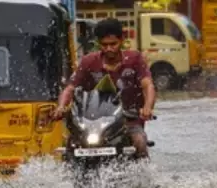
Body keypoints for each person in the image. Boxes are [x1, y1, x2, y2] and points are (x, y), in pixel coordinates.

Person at [52, 18, 156, 159]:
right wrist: (61, 107)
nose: (108, 49)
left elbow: (147, 85)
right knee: (70, 146)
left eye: (113, 44)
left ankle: (142, 177)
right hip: (93, 123)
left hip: (128, 120)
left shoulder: (135, 59)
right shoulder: (89, 61)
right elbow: (70, 88)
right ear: (98, 43)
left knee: (139, 142)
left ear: (122, 40)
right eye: (104, 45)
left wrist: (148, 107)